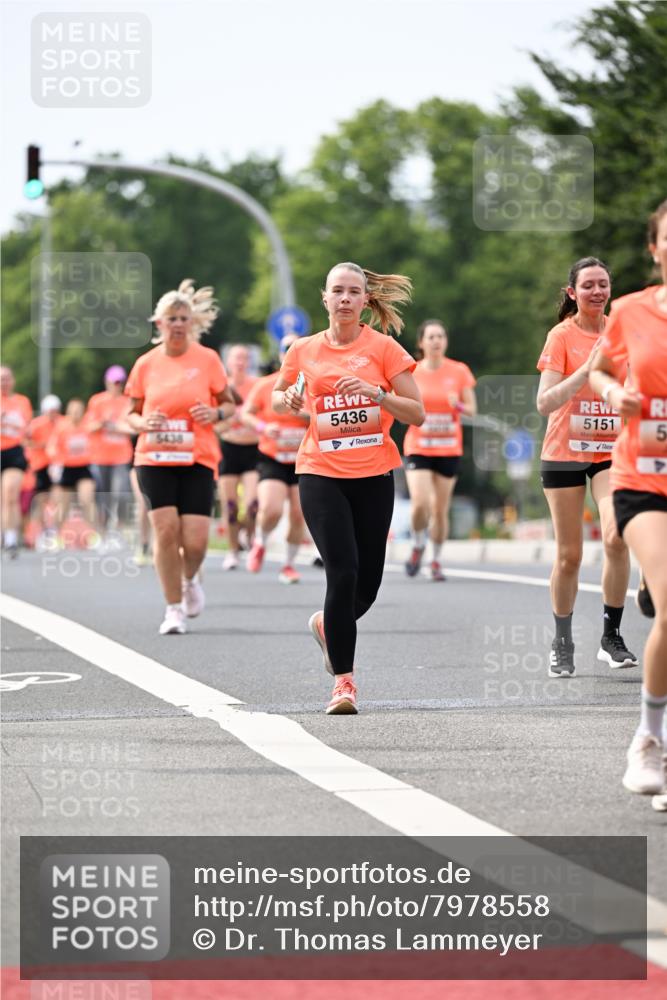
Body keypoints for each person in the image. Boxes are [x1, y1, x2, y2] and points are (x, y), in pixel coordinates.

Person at [273, 262, 424, 715]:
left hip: (374, 474)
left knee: (366, 586)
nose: (344, 298)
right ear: (325, 298)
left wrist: (376, 394)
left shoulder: (384, 349)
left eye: (353, 292)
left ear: (364, 300)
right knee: (341, 571)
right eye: (337, 291)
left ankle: (328, 624)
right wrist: (290, 399)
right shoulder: (303, 349)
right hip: (320, 471)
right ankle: (344, 683)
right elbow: (278, 396)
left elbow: (417, 413)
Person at [589, 200, 667, 808]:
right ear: (655, 248)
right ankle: (648, 738)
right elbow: (599, 371)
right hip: (643, 476)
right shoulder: (632, 310)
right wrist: (615, 392)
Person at [536, 258, 636, 678]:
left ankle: (611, 636)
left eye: (603, 284)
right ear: (572, 292)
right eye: (588, 285)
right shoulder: (561, 335)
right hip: (564, 454)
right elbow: (544, 402)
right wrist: (586, 369)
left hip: (611, 452)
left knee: (616, 536)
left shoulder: (624, 330)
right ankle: (562, 641)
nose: (597, 291)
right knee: (569, 556)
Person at [125, 279, 236, 635]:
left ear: (192, 323)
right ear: (159, 323)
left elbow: (230, 405)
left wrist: (215, 414)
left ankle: (189, 580)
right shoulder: (145, 364)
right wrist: (144, 422)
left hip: (197, 457)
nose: (177, 324)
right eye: (171, 318)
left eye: (183, 318)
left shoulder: (207, 360)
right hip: (154, 457)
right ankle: (173, 608)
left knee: (196, 541)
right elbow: (130, 414)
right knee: (166, 531)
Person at [403, 319, 476, 581]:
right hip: (419, 446)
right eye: (431, 337)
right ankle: (418, 544)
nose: (436, 341)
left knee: (440, 510)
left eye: (441, 336)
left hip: (448, 448)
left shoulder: (459, 371)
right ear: (421, 343)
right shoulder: (412, 372)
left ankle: (435, 560)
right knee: (420, 504)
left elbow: (472, 410)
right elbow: (403, 406)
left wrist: (458, 406)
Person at [243, 333, 309, 583]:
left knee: (298, 514)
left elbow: (324, 416)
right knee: (271, 509)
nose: (291, 353)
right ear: (281, 355)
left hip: (303, 458)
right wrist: (263, 427)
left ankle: (289, 564)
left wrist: (304, 415)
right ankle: (260, 541)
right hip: (272, 456)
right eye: (287, 349)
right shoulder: (266, 385)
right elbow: (246, 414)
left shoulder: (314, 385)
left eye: (297, 349)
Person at [216, 344, 260, 570]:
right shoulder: (221, 387)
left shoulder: (257, 385)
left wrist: (251, 420)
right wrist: (230, 421)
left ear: (249, 362)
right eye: (236, 358)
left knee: (252, 503)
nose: (240, 362)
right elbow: (214, 425)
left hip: (253, 449)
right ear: (228, 362)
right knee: (230, 505)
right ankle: (233, 550)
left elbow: (264, 414)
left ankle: (248, 536)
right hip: (229, 449)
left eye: (244, 358)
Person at [86, 365, 133, 535]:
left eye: (119, 382)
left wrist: (117, 427)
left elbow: (132, 428)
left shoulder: (128, 402)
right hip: (100, 456)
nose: (116, 386)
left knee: (122, 493)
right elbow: (89, 427)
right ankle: (103, 531)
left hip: (121, 456)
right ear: (107, 382)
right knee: (102, 496)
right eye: (114, 382)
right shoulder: (97, 401)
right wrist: (102, 423)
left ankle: (120, 527)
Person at [47, 398, 97, 540]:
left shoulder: (88, 426)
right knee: (63, 504)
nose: (75, 414)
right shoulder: (62, 427)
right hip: (67, 468)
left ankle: (94, 534)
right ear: (68, 412)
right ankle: (56, 535)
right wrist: (56, 461)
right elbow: (51, 446)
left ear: (83, 412)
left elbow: (97, 443)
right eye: (73, 411)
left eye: (78, 411)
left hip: (84, 468)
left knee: (86, 499)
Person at [0, 366, 32, 556]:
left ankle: (11, 538)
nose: (3, 382)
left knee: (10, 494)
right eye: (1, 378)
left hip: (14, 452)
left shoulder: (22, 401)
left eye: (7, 378)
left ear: (12, 380)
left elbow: (26, 428)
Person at [25, 394, 62, 545]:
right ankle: (42, 531)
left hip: (57, 465)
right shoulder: (36, 424)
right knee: (41, 499)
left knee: (57, 498)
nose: (53, 414)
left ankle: (53, 529)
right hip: (40, 465)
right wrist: (41, 445)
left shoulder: (62, 422)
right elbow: (26, 441)